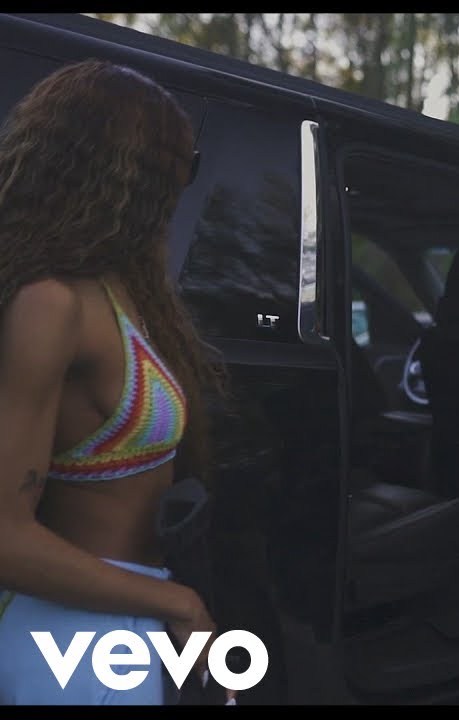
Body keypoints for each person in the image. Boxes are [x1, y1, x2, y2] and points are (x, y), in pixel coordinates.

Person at [0, 59, 230, 705]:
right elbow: (3, 535)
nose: (183, 181)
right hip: (68, 642)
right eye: (180, 163)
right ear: (130, 172)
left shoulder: (121, 289)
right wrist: (178, 603)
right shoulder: (50, 304)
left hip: (115, 625)